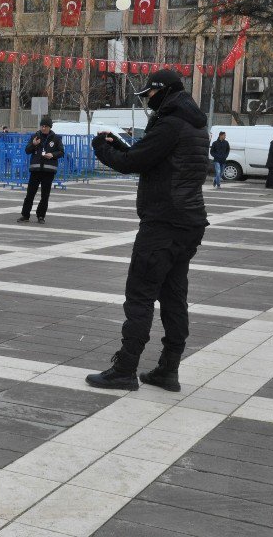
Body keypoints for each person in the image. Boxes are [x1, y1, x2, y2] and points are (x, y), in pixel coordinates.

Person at [86, 69, 209, 392]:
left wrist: (102, 148)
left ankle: (125, 369)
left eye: (149, 95)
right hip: (190, 222)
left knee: (140, 296)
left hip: (163, 222)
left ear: (162, 91)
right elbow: (148, 156)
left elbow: (132, 163)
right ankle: (168, 370)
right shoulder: (194, 124)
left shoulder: (170, 124)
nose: (148, 102)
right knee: (174, 297)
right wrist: (123, 146)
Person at [17, 117, 64, 224]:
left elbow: (61, 152)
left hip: (48, 171)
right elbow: (27, 150)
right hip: (35, 170)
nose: (43, 128)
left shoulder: (56, 138)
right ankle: (25, 215)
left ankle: (41, 216)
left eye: (46, 126)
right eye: (42, 126)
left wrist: (52, 155)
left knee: (45, 195)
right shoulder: (35, 136)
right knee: (30, 194)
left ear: (49, 127)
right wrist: (33, 144)